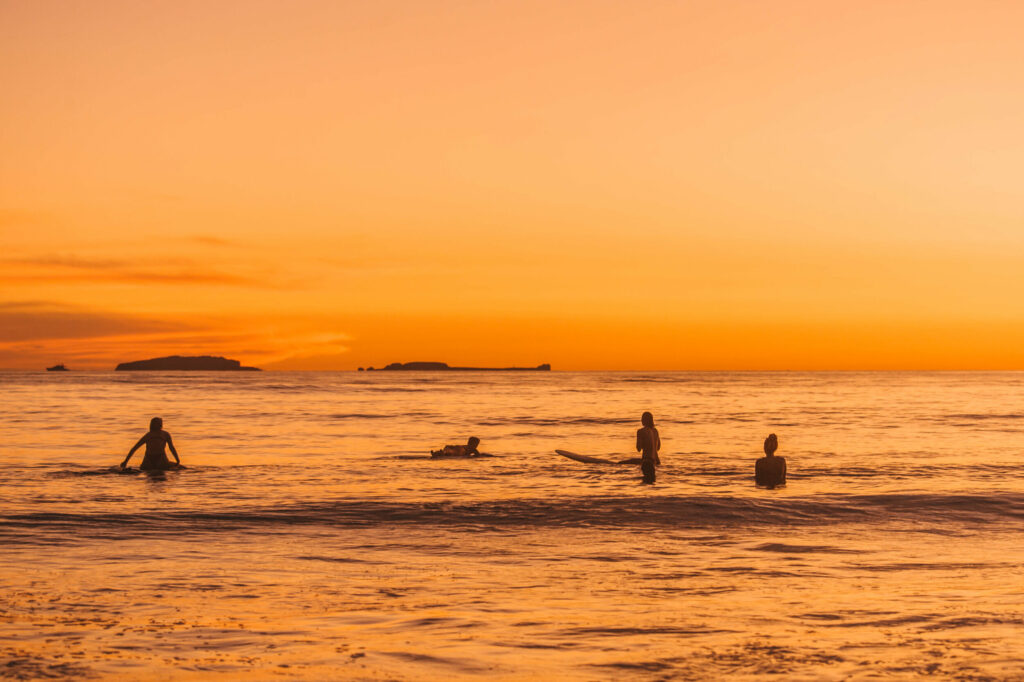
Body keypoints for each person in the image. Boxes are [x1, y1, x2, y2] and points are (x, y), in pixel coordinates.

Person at [636, 412, 661, 484]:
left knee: (645, 482)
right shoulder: (655, 431)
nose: (641, 420)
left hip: (647, 462)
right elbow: (658, 448)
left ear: (644, 420)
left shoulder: (640, 431)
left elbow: (638, 448)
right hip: (657, 462)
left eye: (642, 419)